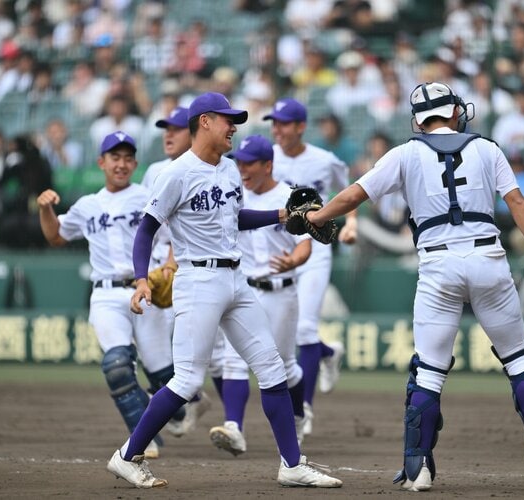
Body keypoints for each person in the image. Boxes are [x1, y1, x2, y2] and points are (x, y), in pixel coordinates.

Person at [305, 81, 524, 490]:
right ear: (456, 111)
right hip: (489, 259)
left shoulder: (405, 153)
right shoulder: (487, 147)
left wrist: (318, 218)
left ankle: (419, 467)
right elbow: (518, 204)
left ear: (419, 119)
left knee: (428, 370)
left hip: (439, 264)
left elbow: (355, 194)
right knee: (518, 358)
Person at [106, 92, 342, 489]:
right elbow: (146, 229)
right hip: (198, 281)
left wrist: (282, 214)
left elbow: (236, 218)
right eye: (227, 120)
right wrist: (143, 278)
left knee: (271, 369)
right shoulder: (176, 173)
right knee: (187, 381)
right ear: (204, 122)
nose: (234, 126)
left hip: (235, 278)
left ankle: (292, 464)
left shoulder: (230, 170)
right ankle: (128, 455)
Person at [38, 131, 184, 460]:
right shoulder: (88, 205)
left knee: (166, 378)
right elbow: (56, 236)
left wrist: (172, 264)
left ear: (135, 163)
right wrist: (45, 209)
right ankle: (144, 442)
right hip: (106, 294)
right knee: (117, 365)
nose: (121, 164)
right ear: (101, 163)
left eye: (127, 158)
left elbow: (178, 230)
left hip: (144, 289)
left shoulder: (148, 196)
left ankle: (182, 412)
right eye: (114, 157)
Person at [209, 134, 313, 456]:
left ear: (268, 164)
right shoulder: (233, 195)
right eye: (239, 161)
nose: (242, 168)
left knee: (284, 364)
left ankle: (298, 414)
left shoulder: (290, 196)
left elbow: (306, 242)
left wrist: (294, 260)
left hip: (280, 291)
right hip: (243, 288)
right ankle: (233, 428)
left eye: (249, 162)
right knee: (233, 361)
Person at [264, 97, 355, 436]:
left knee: (303, 330)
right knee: (280, 334)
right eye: (274, 123)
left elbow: (349, 190)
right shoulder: (265, 158)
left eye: (284, 123)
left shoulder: (323, 160)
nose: (277, 129)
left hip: (315, 250)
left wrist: (352, 223)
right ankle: (328, 352)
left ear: (301, 126)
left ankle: (304, 410)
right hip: (278, 250)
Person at [141, 106, 217, 437]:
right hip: (157, 260)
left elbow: (185, 222)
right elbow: (147, 222)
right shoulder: (156, 170)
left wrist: (171, 259)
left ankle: (185, 395)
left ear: (192, 131)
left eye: (175, 128)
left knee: (184, 346)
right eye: (164, 129)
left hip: (183, 262)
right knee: (149, 341)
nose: (168, 134)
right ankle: (189, 396)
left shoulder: (204, 168)